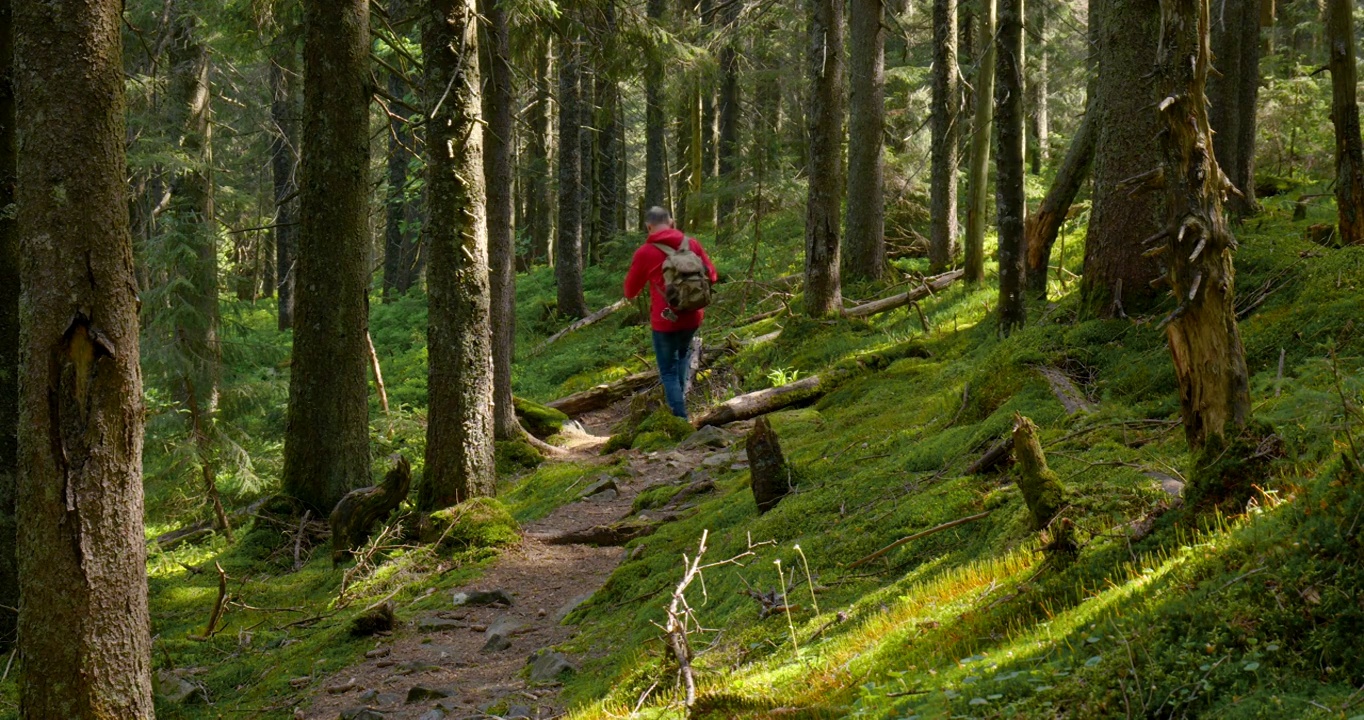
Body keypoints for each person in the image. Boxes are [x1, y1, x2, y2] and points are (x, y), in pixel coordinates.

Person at [624, 207, 719, 420]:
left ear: (649, 227)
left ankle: (680, 419)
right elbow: (712, 275)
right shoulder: (691, 244)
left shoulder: (645, 252)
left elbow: (630, 291)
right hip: (693, 316)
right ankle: (681, 407)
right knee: (683, 355)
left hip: (665, 320)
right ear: (672, 222)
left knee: (667, 371)